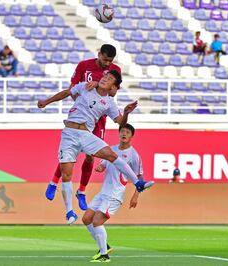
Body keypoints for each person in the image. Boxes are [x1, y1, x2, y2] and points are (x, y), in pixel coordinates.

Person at [37, 70, 154, 224]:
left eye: (110, 79)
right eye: (106, 76)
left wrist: (126, 112)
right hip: (69, 134)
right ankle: (69, 212)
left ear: (113, 86)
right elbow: (66, 93)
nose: (106, 79)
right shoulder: (85, 86)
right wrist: (46, 102)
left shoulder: (109, 103)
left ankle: (138, 183)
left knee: (112, 155)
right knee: (66, 175)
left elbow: (120, 122)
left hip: (87, 135)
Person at [45, 44, 122, 211]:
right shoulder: (84, 66)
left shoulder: (115, 70)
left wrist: (98, 85)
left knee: (89, 156)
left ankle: (82, 191)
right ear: (99, 54)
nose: (107, 63)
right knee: (69, 153)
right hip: (81, 115)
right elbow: (72, 89)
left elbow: (113, 93)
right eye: (105, 59)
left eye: (110, 61)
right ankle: (53, 181)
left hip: (99, 117)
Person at [82, 123, 146, 263]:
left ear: (131, 136)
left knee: (97, 221)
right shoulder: (111, 149)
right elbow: (104, 163)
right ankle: (105, 246)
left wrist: (135, 196)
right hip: (103, 192)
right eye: (122, 131)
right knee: (86, 218)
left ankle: (104, 255)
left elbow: (140, 177)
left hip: (115, 195)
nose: (124, 134)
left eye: (127, 132)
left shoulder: (134, 156)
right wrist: (100, 167)